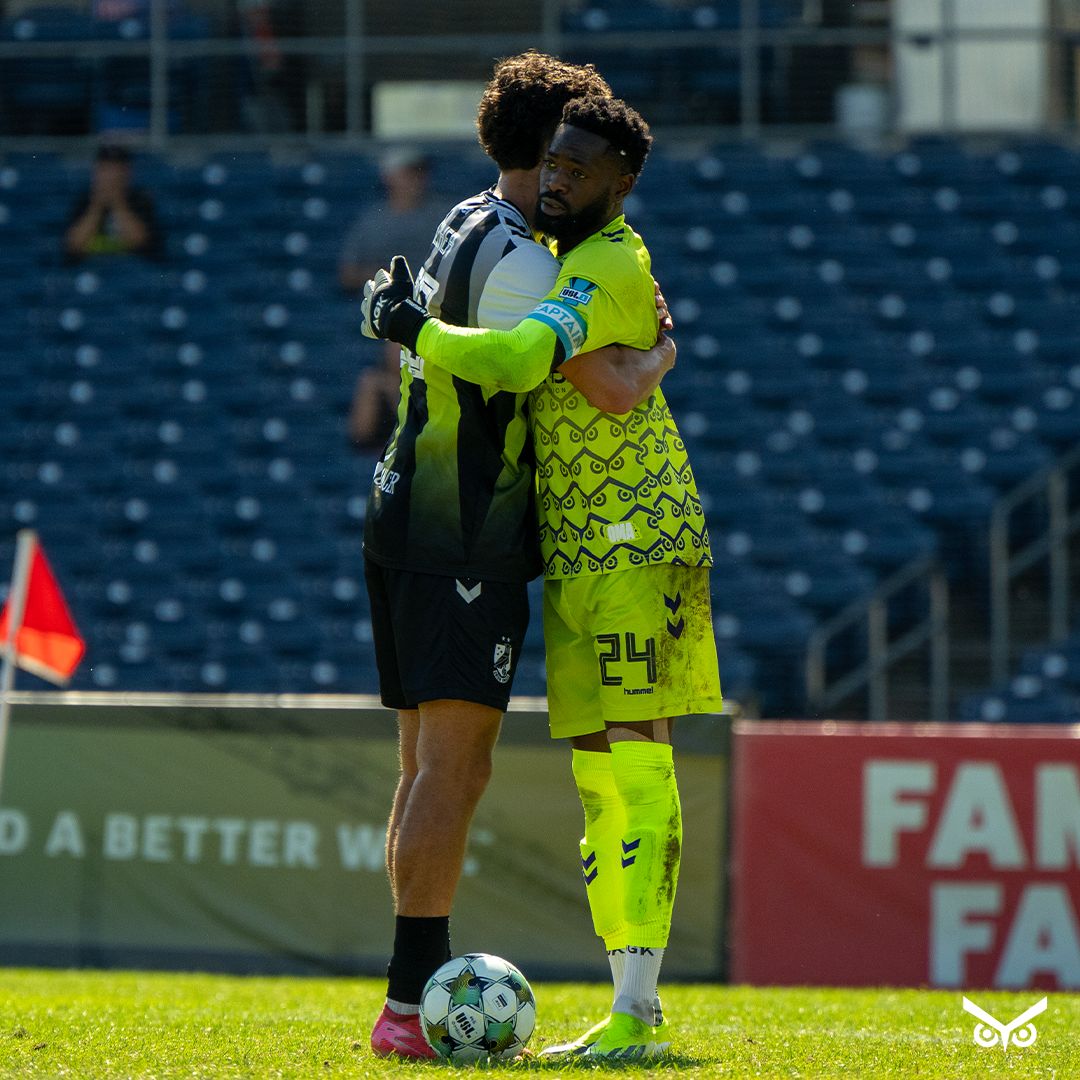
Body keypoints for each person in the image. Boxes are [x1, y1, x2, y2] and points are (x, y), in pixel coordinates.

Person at [362, 94, 723, 1061]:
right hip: (538, 537)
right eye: (555, 161)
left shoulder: (547, 250)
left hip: (629, 536)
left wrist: (409, 327)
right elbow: (612, 379)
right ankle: (602, 1007)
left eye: (580, 166)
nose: (561, 178)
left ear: (619, 182)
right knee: (576, 776)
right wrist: (660, 353)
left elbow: (573, 372)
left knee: (623, 767)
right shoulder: (538, 255)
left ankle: (634, 1009)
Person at [337, 146, 444, 295]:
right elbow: (348, 275)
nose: (416, 178)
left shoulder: (443, 214)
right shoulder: (371, 221)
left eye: (421, 172)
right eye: (408, 173)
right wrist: (378, 275)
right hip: (383, 302)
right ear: (388, 177)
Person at [63, 143, 164, 263]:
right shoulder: (83, 200)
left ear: (127, 172)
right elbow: (74, 245)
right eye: (105, 169)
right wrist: (97, 206)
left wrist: (117, 203)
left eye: (116, 169)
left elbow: (140, 241)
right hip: (92, 267)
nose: (111, 176)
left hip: (131, 267)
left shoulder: (140, 200)